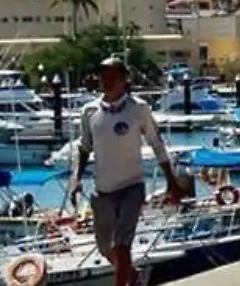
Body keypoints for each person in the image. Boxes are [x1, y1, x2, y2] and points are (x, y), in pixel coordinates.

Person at [72, 56, 180, 286]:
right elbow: (83, 148)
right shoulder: (89, 111)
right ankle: (133, 277)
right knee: (105, 248)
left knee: (122, 245)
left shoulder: (138, 109)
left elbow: (156, 143)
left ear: (124, 80)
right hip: (103, 191)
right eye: (103, 77)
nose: (107, 81)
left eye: (113, 77)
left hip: (131, 187)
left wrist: (171, 180)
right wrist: (75, 180)